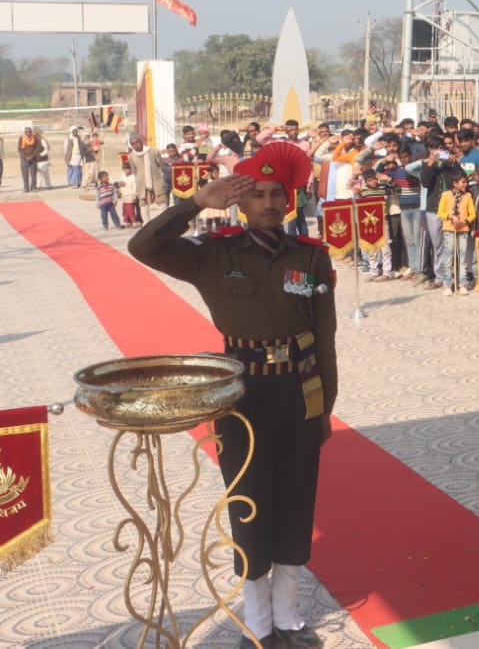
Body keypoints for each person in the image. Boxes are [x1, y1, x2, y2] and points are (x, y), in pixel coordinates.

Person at [128, 142, 337, 649]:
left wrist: (324, 408)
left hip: (297, 391)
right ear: (241, 204)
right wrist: (197, 202)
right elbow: (143, 247)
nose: (267, 203)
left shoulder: (311, 257)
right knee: (249, 506)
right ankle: (257, 624)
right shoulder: (215, 253)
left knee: (294, 502)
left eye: (276, 195)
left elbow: (325, 339)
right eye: (257, 195)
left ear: (289, 202)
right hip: (241, 397)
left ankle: (288, 618)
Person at [436, 168, 477, 294]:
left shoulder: (468, 196)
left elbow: (473, 214)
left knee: (463, 258)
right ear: (454, 183)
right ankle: (447, 284)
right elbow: (440, 212)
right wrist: (450, 216)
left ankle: (462, 284)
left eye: (466, 182)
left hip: (463, 230)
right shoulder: (445, 195)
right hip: (449, 229)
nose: (465, 184)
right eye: (462, 182)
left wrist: (464, 221)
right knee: (448, 257)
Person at [18, 127, 43, 192]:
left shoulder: (35, 138)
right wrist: (25, 157)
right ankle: (26, 188)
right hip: (24, 159)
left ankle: (34, 187)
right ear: (25, 132)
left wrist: (32, 156)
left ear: (31, 132)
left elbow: (38, 148)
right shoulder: (21, 138)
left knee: (33, 174)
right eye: (27, 132)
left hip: (33, 158)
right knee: (25, 174)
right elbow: (19, 149)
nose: (28, 133)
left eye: (29, 132)